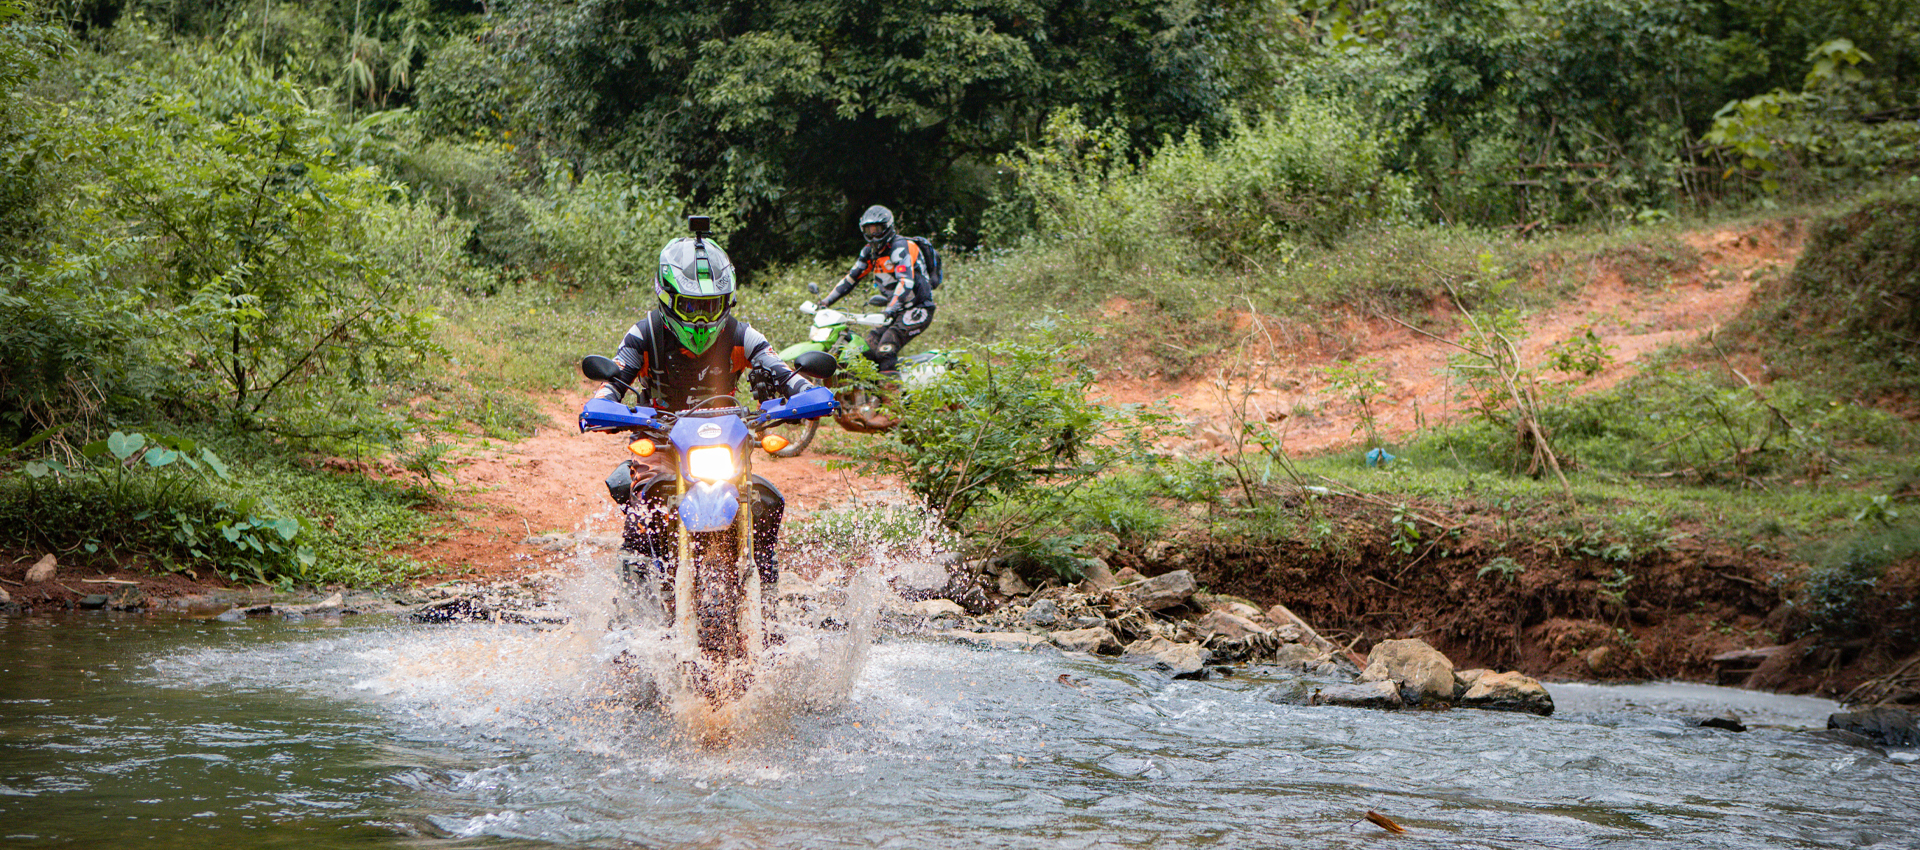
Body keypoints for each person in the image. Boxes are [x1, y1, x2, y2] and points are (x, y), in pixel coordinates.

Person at [593, 229, 815, 616]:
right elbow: (614, 380)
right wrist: (603, 404)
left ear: (726, 302)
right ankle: (629, 616)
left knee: (766, 502)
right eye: (692, 306)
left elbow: (781, 370)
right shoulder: (645, 333)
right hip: (660, 443)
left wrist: (808, 393)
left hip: (725, 441)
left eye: (711, 306)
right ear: (667, 298)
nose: (701, 317)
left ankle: (769, 605)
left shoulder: (741, 335)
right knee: (643, 507)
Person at [811, 205, 936, 372]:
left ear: (887, 227)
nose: (873, 234)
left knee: (886, 350)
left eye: (877, 228)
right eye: (869, 229)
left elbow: (906, 281)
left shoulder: (900, 247)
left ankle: (892, 396)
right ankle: (870, 394)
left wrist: (890, 308)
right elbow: (852, 278)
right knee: (866, 350)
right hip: (894, 311)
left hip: (918, 309)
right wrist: (826, 301)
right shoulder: (870, 251)